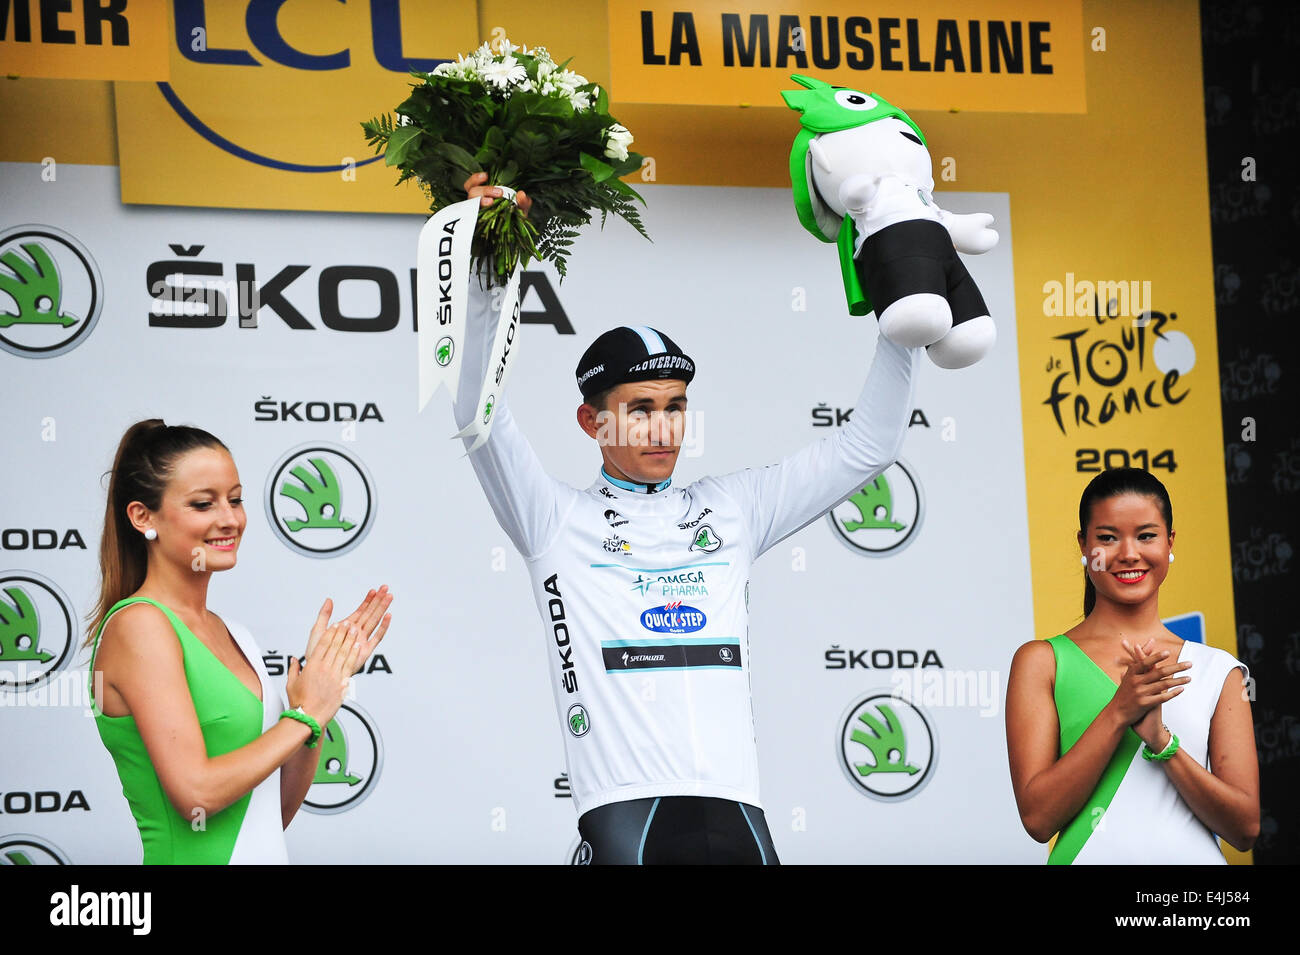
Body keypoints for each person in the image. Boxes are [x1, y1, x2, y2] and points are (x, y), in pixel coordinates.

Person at [451, 173, 922, 864]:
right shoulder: (553, 519)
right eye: (641, 408)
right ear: (592, 419)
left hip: (740, 815)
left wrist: (905, 311)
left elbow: (870, 444)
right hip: (626, 819)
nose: (663, 428)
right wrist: (490, 275)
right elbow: (477, 414)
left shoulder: (732, 507)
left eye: (675, 407)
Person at [85, 420, 393, 864]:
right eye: (202, 504)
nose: (229, 519)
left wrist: (318, 704)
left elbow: (273, 812)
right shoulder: (139, 626)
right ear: (142, 517)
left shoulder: (237, 635)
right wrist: (304, 716)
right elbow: (195, 794)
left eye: (235, 499)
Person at [1005, 467, 1259, 864]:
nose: (1128, 553)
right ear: (1084, 545)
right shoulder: (1042, 661)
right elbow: (1038, 819)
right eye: (1107, 537)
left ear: (1169, 542)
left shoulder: (1217, 670)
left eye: (1146, 535)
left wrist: (1161, 742)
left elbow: (1245, 830)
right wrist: (1119, 711)